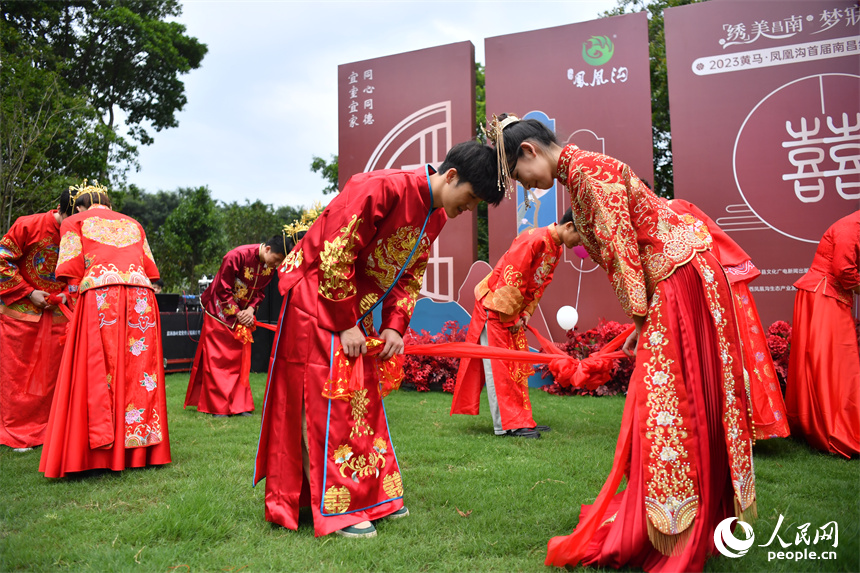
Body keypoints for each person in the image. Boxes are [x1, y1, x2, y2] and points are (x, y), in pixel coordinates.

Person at [488, 115, 755, 572]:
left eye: (520, 176)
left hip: (677, 278)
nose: (529, 188)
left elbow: (624, 254)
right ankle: (689, 515)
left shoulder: (586, 173)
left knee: (670, 406)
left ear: (530, 151)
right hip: (681, 275)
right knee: (678, 400)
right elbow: (626, 253)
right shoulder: (583, 171)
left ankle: (678, 529)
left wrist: (641, 315)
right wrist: (639, 324)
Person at [254, 141, 503, 538]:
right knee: (322, 399)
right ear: (451, 176)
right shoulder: (379, 188)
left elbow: (409, 274)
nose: (468, 209)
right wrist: (344, 322)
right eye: (470, 198)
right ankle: (337, 506)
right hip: (316, 297)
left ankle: (371, 497)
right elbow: (336, 255)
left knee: (361, 399)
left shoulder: (433, 216)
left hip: (351, 308)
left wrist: (394, 325)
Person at [39, 180, 171, 477]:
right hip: (141, 297)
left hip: (101, 297)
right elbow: (149, 268)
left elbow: (68, 269)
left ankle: (94, 451)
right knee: (139, 373)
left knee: (96, 369)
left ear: (82, 205)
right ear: (109, 204)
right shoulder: (134, 223)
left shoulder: (73, 221)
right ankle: (138, 450)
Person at [450, 208, 582, 438]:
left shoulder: (555, 247)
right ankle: (507, 425)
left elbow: (540, 284)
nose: (580, 244)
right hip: (495, 307)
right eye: (580, 237)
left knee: (515, 366)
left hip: (511, 311)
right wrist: (511, 316)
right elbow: (512, 277)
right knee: (500, 367)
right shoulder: (533, 239)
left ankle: (522, 420)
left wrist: (527, 312)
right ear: (569, 226)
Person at [668, 199, 789, 440]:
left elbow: (702, 245)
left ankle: (740, 427)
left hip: (719, 283)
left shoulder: (673, 208)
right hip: (708, 283)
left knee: (732, 352)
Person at [184, 236, 288, 417]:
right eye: (277, 260)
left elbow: (259, 293)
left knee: (240, 360)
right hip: (219, 313)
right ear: (268, 249)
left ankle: (239, 405)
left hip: (242, 316)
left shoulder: (269, 268)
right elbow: (222, 288)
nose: (276, 265)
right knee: (218, 360)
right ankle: (218, 406)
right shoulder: (236, 256)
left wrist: (250, 310)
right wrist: (236, 312)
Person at [0, 192, 73, 451]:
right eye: (72, 219)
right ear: (61, 210)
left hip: (59, 316)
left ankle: (50, 430)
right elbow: (1, 261)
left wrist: (66, 294)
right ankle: (17, 432)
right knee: (18, 376)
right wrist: (29, 292)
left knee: (55, 376)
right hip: (21, 315)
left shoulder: (82, 234)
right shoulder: (27, 225)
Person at [785, 210, 860, 458]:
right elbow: (844, 270)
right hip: (824, 295)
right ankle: (835, 429)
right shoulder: (851, 226)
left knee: (827, 364)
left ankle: (822, 424)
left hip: (824, 296)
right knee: (836, 365)